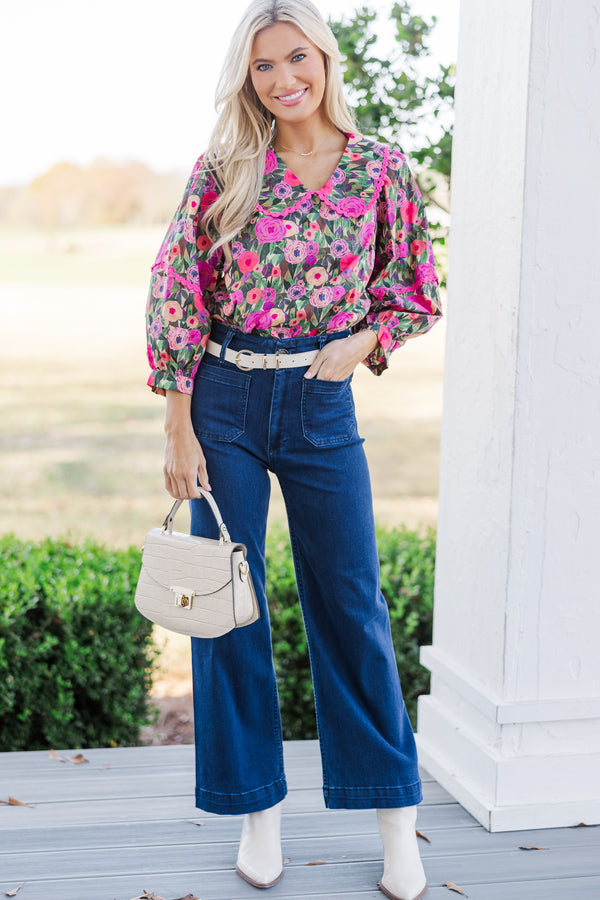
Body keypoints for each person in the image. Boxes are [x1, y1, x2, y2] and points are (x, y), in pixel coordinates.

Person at [145, 2, 442, 897]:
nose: (283, 80)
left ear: (325, 60)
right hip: (226, 399)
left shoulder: (381, 168)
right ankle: (257, 814)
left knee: (353, 606)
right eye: (264, 66)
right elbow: (176, 287)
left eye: (297, 59)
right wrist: (178, 420)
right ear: (249, 77)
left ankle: (396, 824)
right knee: (228, 610)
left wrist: (363, 345)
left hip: (320, 404)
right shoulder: (226, 167)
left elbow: (416, 287)